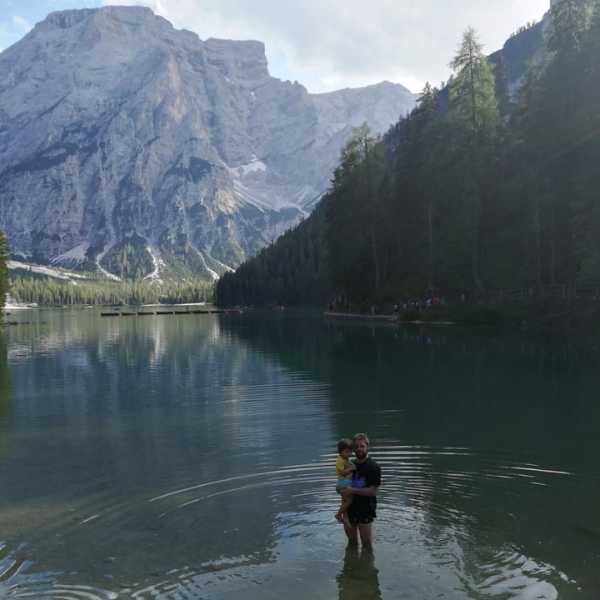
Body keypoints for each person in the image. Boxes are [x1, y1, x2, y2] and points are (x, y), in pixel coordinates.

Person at [340, 433, 381, 547]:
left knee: (367, 546)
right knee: (352, 544)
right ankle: (352, 564)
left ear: (367, 447)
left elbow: (373, 491)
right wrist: (344, 514)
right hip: (350, 510)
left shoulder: (373, 467)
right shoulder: (348, 465)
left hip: (366, 510)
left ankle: (366, 565)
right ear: (353, 449)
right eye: (356, 446)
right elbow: (343, 491)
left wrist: (352, 490)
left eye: (362, 446)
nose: (359, 449)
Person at [335, 438, 356, 523]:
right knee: (349, 501)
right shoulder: (339, 460)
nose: (349, 454)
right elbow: (342, 473)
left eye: (350, 451)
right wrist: (351, 468)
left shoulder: (345, 459)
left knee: (345, 502)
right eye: (347, 452)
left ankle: (342, 517)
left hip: (344, 483)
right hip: (343, 483)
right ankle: (338, 514)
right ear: (340, 452)